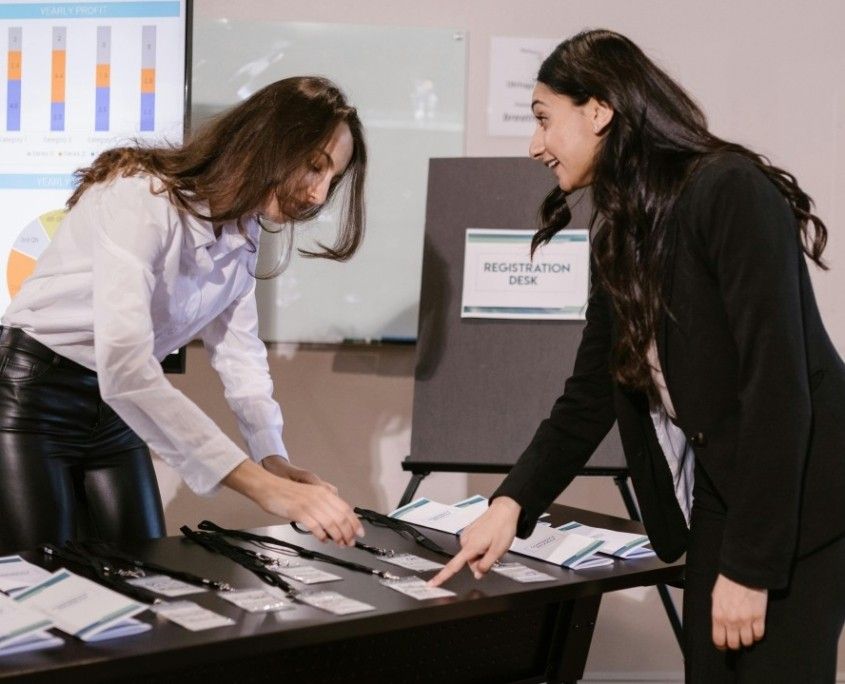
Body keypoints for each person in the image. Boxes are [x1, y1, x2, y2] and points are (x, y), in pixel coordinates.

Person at [429, 30, 845, 681]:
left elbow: (777, 388)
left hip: (798, 496)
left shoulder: (729, 191)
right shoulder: (621, 234)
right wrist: (510, 504)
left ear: (598, 110)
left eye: (543, 119)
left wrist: (750, 569)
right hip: (723, 489)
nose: (534, 144)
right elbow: (590, 396)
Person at [0, 76, 367, 554]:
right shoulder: (139, 197)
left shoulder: (245, 230)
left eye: (331, 180)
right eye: (315, 167)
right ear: (269, 139)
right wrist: (263, 489)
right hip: (33, 395)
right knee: (43, 582)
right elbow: (126, 367)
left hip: (115, 411)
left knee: (146, 573)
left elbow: (240, 356)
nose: (318, 195)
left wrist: (273, 460)